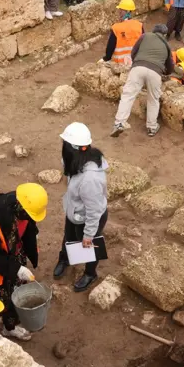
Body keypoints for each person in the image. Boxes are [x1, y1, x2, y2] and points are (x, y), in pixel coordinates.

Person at [0, 183, 48, 341]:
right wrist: (16, 269)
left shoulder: (23, 210)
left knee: (14, 295)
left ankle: (9, 327)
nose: (31, 218)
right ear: (20, 207)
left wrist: (32, 243)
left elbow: (28, 227)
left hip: (12, 259)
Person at [54, 123, 108, 292]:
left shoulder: (90, 179)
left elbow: (94, 210)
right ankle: (65, 258)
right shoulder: (75, 160)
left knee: (88, 246)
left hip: (89, 218)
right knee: (68, 237)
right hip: (75, 212)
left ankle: (90, 273)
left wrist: (88, 234)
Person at [111, 24, 174, 137]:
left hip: (138, 68)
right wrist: (164, 72)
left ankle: (119, 123)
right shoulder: (167, 45)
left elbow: (133, 52)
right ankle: (151, 127)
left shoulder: (145, 36)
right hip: (155, 72)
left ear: (154, 31)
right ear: (164, 35)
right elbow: (170, 67)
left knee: (128, 95)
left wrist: (137, 62)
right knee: (153, 99)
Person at [102, 0, 144, 64]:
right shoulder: (139, 25)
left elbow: (110, 48)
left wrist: (106, 58)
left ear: (126, 11)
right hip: (137, 61)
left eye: (121, 10)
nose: (119, 12)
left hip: (120, 64)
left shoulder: (116, 28)